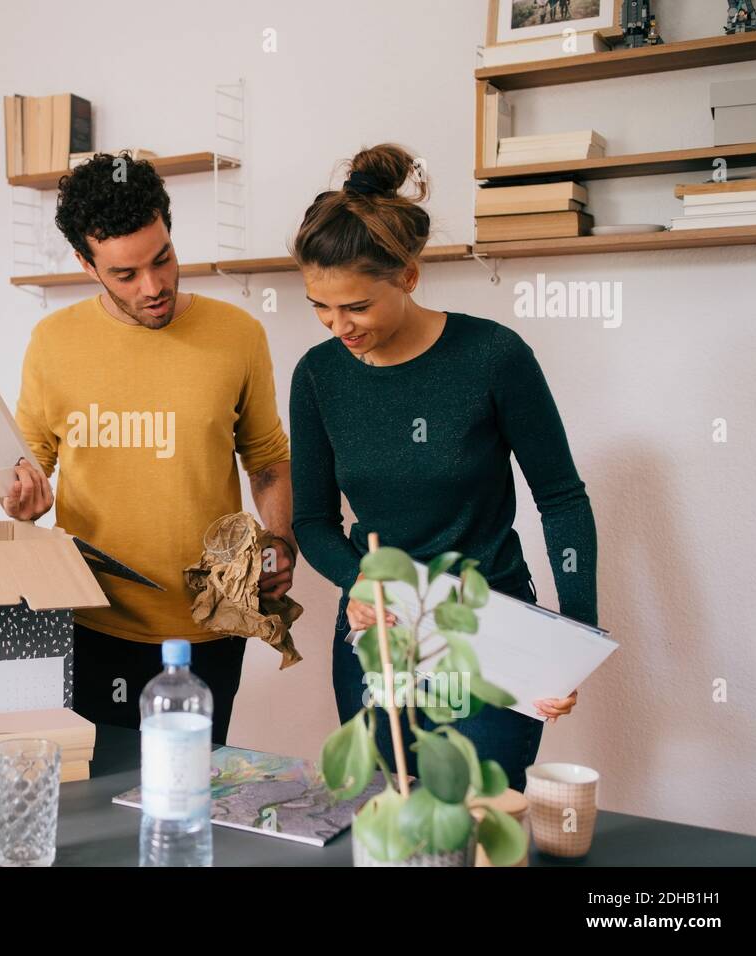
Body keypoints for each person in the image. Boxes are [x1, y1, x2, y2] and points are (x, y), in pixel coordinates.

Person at [288, 144, 597, 791]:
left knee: (480, 824)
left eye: (356, 306)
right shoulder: (318, 376)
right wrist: (356, 579)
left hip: (492, 633)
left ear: (407, 274)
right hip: (380, 636)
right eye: (320, 305)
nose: (336, 325)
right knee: (390, 822)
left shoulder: (492, 357)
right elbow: (313, 520)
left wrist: (574, 638)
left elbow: (562, 499)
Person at [5, 151, 295, 745]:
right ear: (88, 265)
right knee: (98, 800)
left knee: (193, 793)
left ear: (169, 228)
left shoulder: (238, 334)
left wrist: (280, 540)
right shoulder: (52, 341)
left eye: (162, 259)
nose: (155, 286)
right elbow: (28, 461)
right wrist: (21, 500)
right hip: (88, 618)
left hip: (209, 624)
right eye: (126, 274)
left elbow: (265, 458)